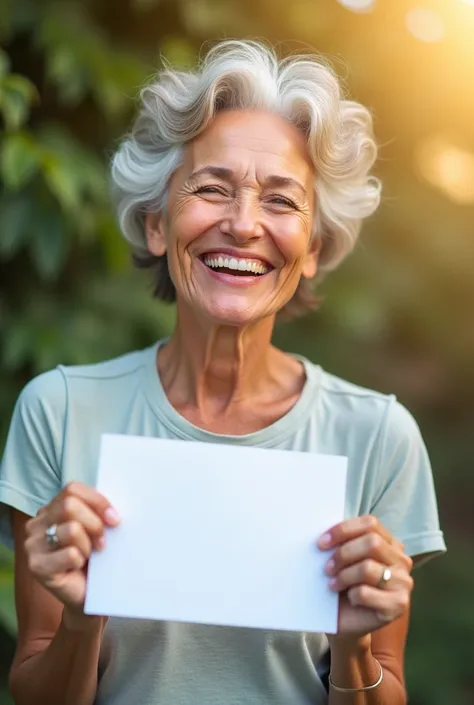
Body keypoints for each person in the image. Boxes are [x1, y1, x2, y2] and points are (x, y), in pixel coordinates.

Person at [0, 40, 446, 705]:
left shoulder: (381, 435)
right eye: (212, 189)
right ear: (156, 222)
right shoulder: (58, 411)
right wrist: (82, 616)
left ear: (315, 247)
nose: (243, 225)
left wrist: (352, 644)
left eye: (281, 201)